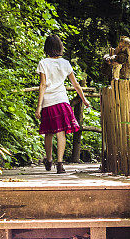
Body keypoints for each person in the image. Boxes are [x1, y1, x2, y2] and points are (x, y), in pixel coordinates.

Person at [35, 34, 90, 174]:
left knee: (48, 133)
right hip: (62, 101)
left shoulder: (43, 63)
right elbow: (76, 84)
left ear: (47, 47)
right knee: (61, 133)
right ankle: (60, 164)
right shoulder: (65, 63)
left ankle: (49, 160)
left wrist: (39, 106)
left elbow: (42, 85)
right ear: (60, 47)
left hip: (48, 102)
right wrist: (84, 99)